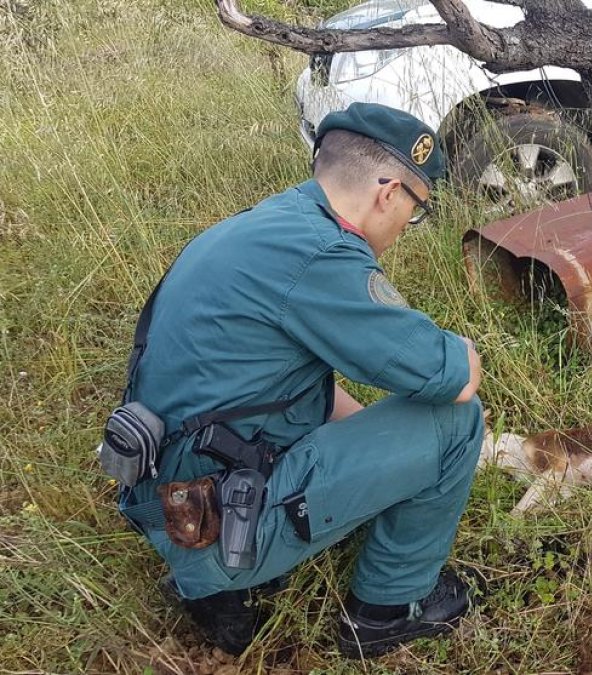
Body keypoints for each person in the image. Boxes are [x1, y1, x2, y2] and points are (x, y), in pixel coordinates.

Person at [112, 103, 484, 659]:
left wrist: (394, 468)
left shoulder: (263, 225)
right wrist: (467, 351)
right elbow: (453, 378)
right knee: (458, 423)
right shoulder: (323, 255)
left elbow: (291, 385)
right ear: (388, 195)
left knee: (407, 434)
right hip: (217, 524)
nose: (409, 227)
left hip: (170, 504)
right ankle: (388, 609)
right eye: (417, 210)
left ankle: (214, 581)